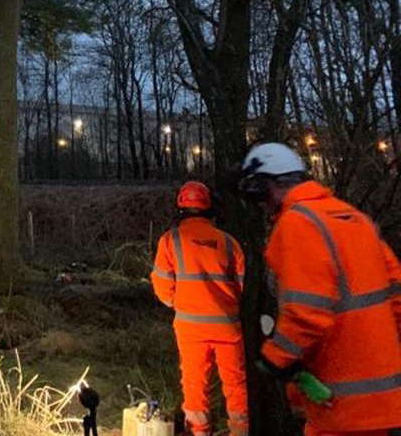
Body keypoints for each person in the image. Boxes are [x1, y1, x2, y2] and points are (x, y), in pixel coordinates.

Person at [241, 143, 401, 436]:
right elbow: (396, 296)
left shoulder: (297, 224)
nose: (262, 205)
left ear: (268, 186)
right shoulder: (354, 218)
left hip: (338, 399)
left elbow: (308, 310)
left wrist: (276, 358)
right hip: (383, 398)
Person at [151, 181, 248, 436]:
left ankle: (199, 432)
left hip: (190, 327)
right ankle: (241, 431)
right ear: (209, 207)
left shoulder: (170, 240)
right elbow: (243, 286)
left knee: (194, 386)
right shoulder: (229, 242)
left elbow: (161, 284)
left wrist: (180, 303)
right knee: (236, 385)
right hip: (227, 325)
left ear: (181, 207)